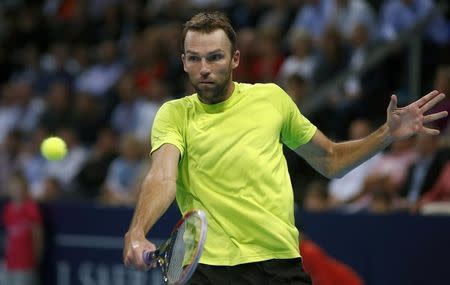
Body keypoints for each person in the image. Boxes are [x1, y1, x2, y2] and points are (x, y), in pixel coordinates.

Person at [123, 11, 447, 284]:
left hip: (277, 263)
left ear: (235, 59)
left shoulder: (271, 99)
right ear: (183, 61)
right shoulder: (174, 114)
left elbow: (330, 159)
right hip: (209, 268)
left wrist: (386, 134)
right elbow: (162, 177)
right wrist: (137, 231)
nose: (204, 68)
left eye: (214, 57)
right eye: (194, 58)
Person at [2, 172, 44, 285]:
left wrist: (36, 257)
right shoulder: (8, 209)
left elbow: (38, 235)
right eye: (13, 187)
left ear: (25, 188)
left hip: (26, 262)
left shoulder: (31, 207)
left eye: (19, 186)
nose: (16, 190)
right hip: (10, 262)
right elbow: (8, 236)